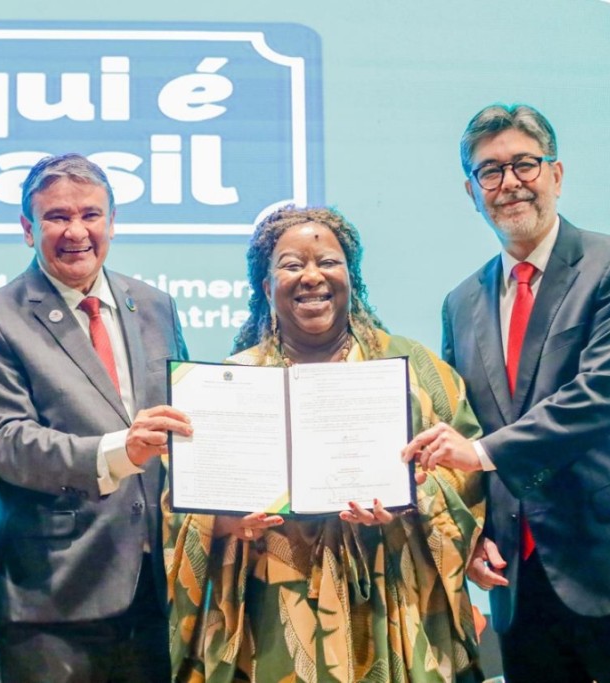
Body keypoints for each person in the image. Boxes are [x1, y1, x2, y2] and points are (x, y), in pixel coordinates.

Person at [403, 103, 610, 683]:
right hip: (521, 582)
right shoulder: (460, 302)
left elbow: (603, 394)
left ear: (556, 174)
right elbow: (462, 425)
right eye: (490, 171)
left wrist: (481, 454)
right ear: (471, 191)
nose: (510, 182)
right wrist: (472, 534)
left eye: (525, 164)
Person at [166, 205, 486, 683]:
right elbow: (181, 507)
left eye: (329, 262)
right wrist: (227, 522)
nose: (312, 276)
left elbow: (468, 470)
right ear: (266, 287)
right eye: (292, 265)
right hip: (270, 610)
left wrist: (411, 495)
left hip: (392, 596)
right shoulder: (231, 383)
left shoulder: (415, 369)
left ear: (351, 278)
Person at [0, 153, 192, 683]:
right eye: (57, 217)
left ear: (113, 222)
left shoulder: (155, 305)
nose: (76, 231)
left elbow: (184, 420)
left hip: (156, 589)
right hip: (51, 597)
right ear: (27, 229)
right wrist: (118, 452)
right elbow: (7, 441)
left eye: (90, 215)